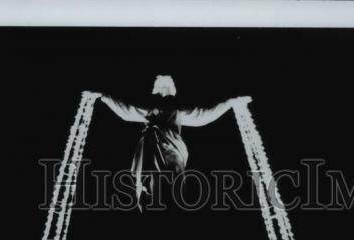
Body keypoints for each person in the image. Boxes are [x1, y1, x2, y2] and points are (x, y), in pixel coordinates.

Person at [95, 76, 251, 205]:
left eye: (167, 86)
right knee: (148, 186)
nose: (163, 89)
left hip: (172, 149)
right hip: (150, 149)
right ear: (155, 89)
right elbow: (126, 111)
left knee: (170, 184)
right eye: (160, 85)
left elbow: (204, 115)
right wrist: (104, 97)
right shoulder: (149, 109)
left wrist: (229, 103)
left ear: (172, 90)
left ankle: (169, 206)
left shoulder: (177, 110)